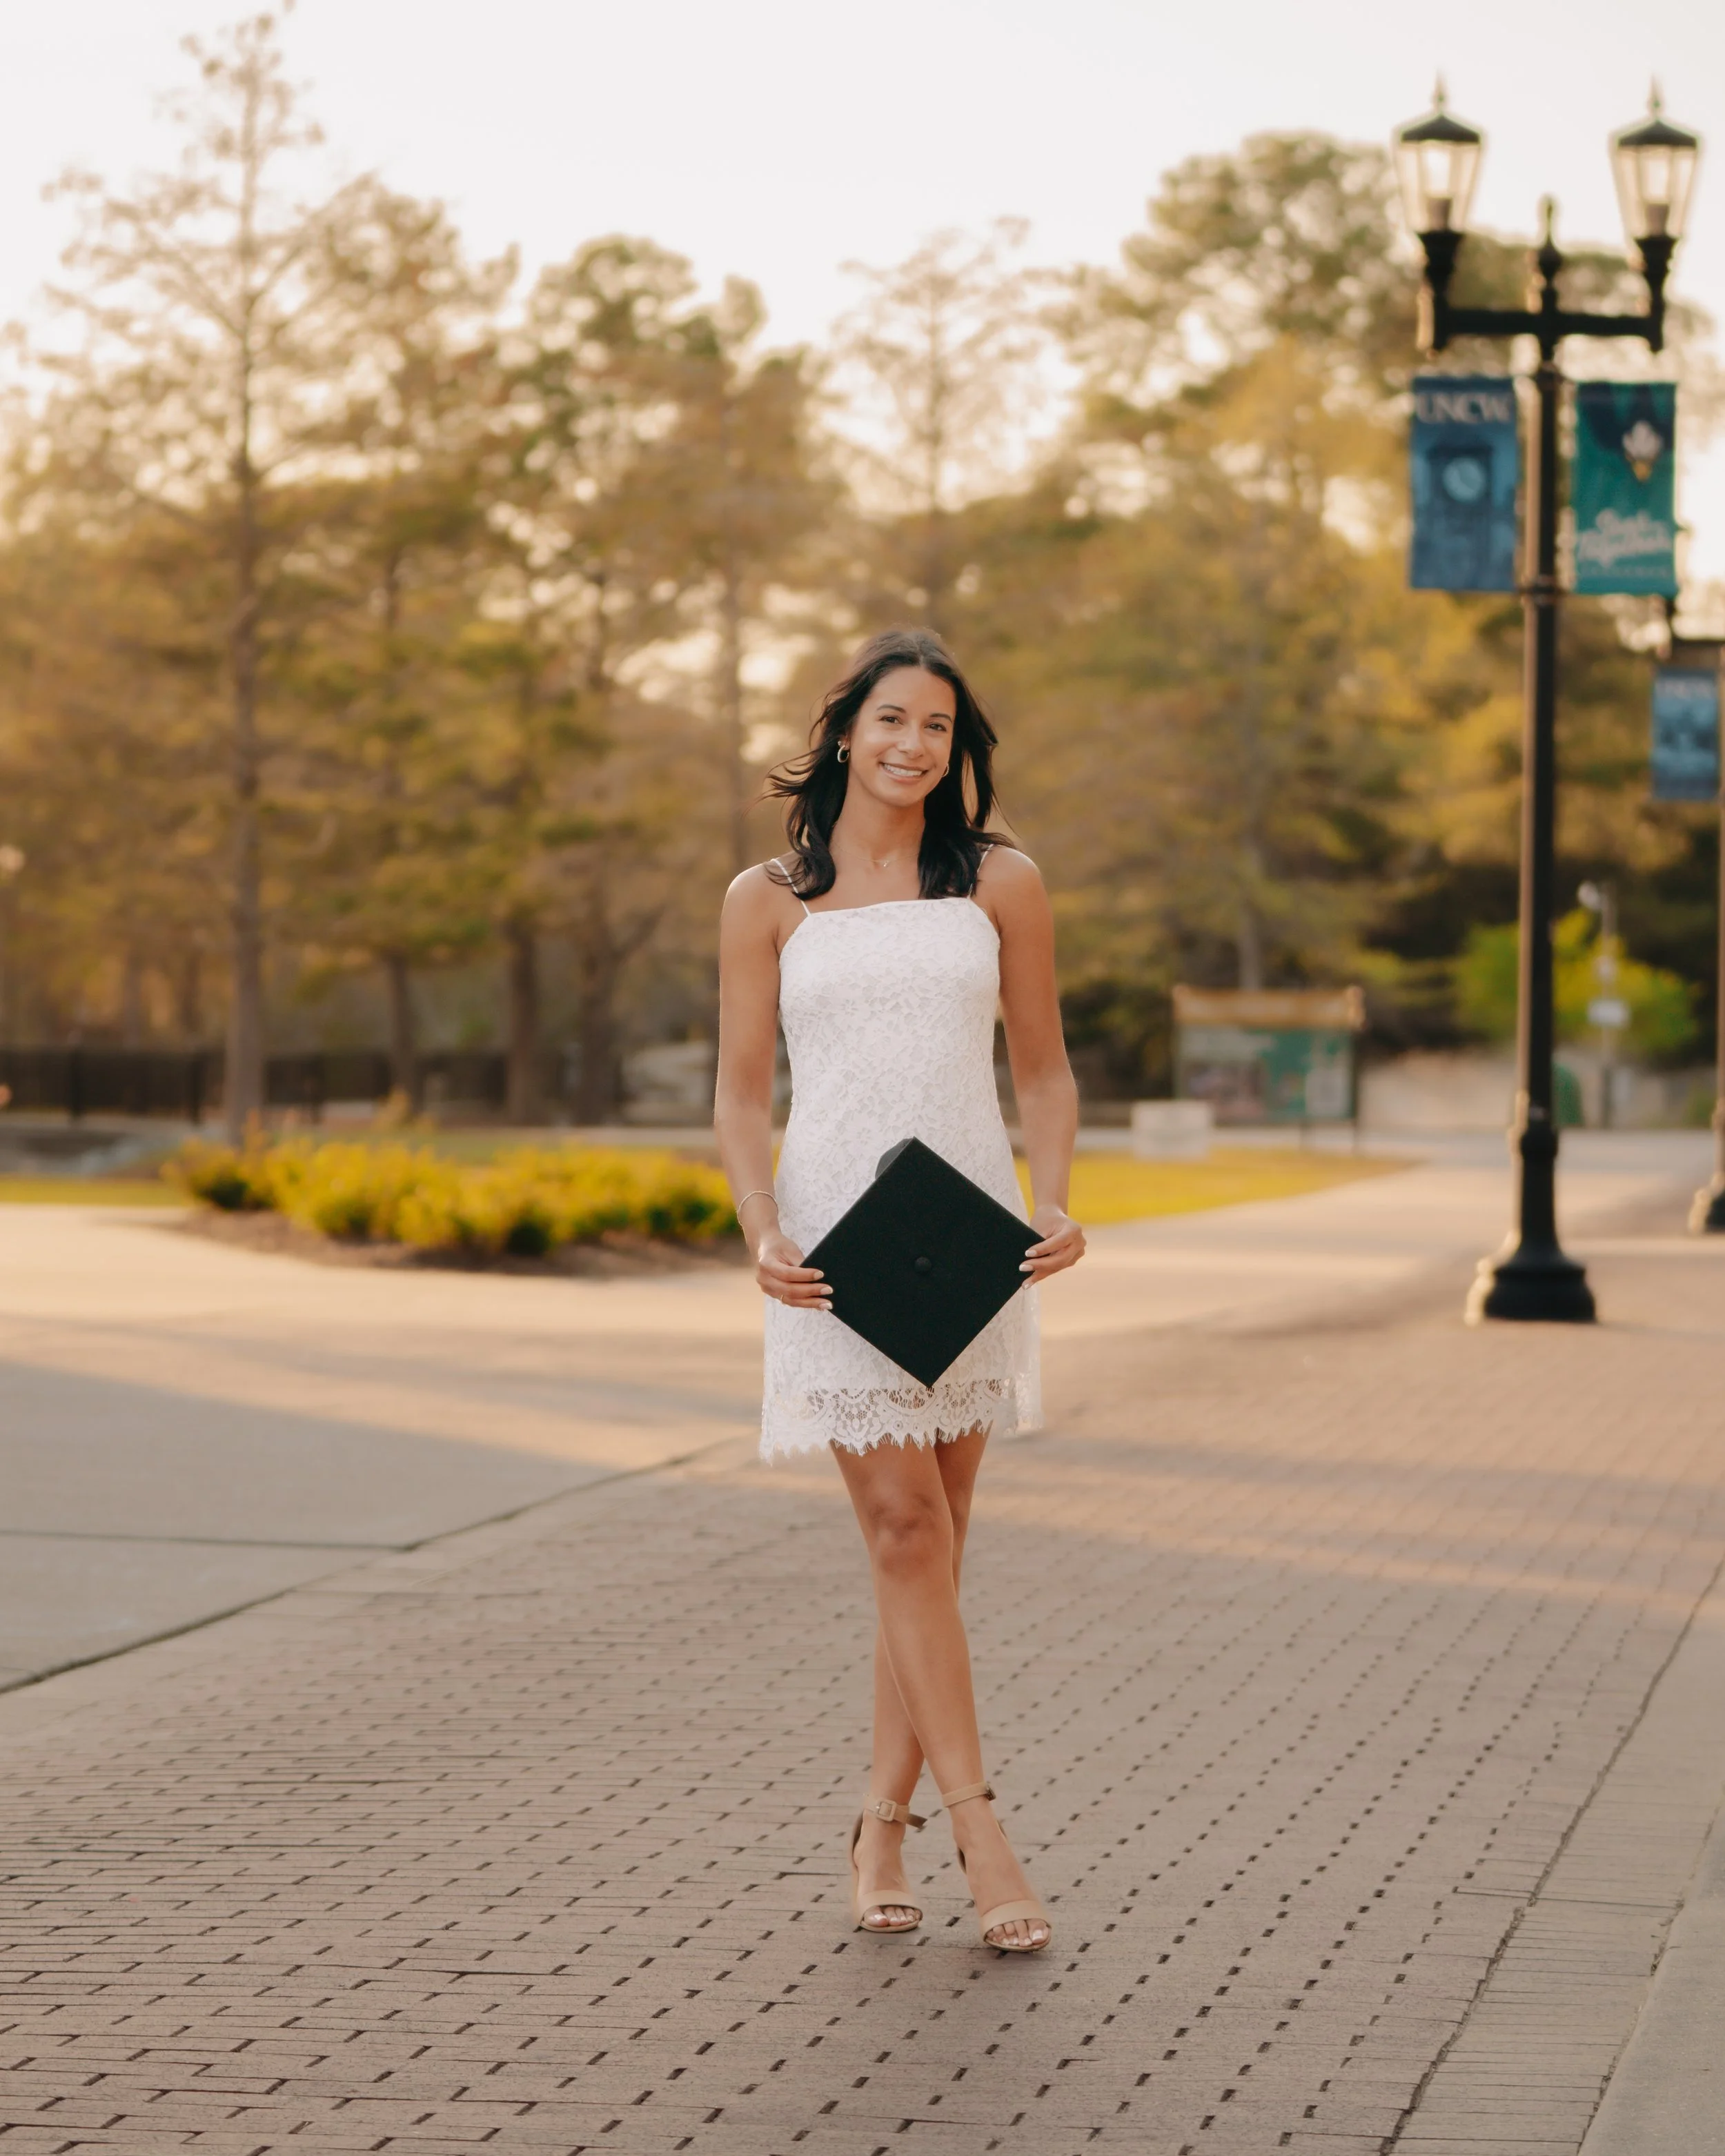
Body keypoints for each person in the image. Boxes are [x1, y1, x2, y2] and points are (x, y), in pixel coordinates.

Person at [715, 626, 1085, 1954]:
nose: (911, 744)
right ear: (844, 732)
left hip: (974, 1233)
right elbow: (743, 1093)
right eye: (889, 719)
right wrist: (759, 1224)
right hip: (828, 1250)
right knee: (906, 1533)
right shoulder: (767, 897)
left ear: (956, 745)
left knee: (929, 1540)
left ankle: (881, 1818)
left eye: (935, 725)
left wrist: (1053, 1196)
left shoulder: (1001, 882)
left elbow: (1041, 1068)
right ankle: (982, 1828)